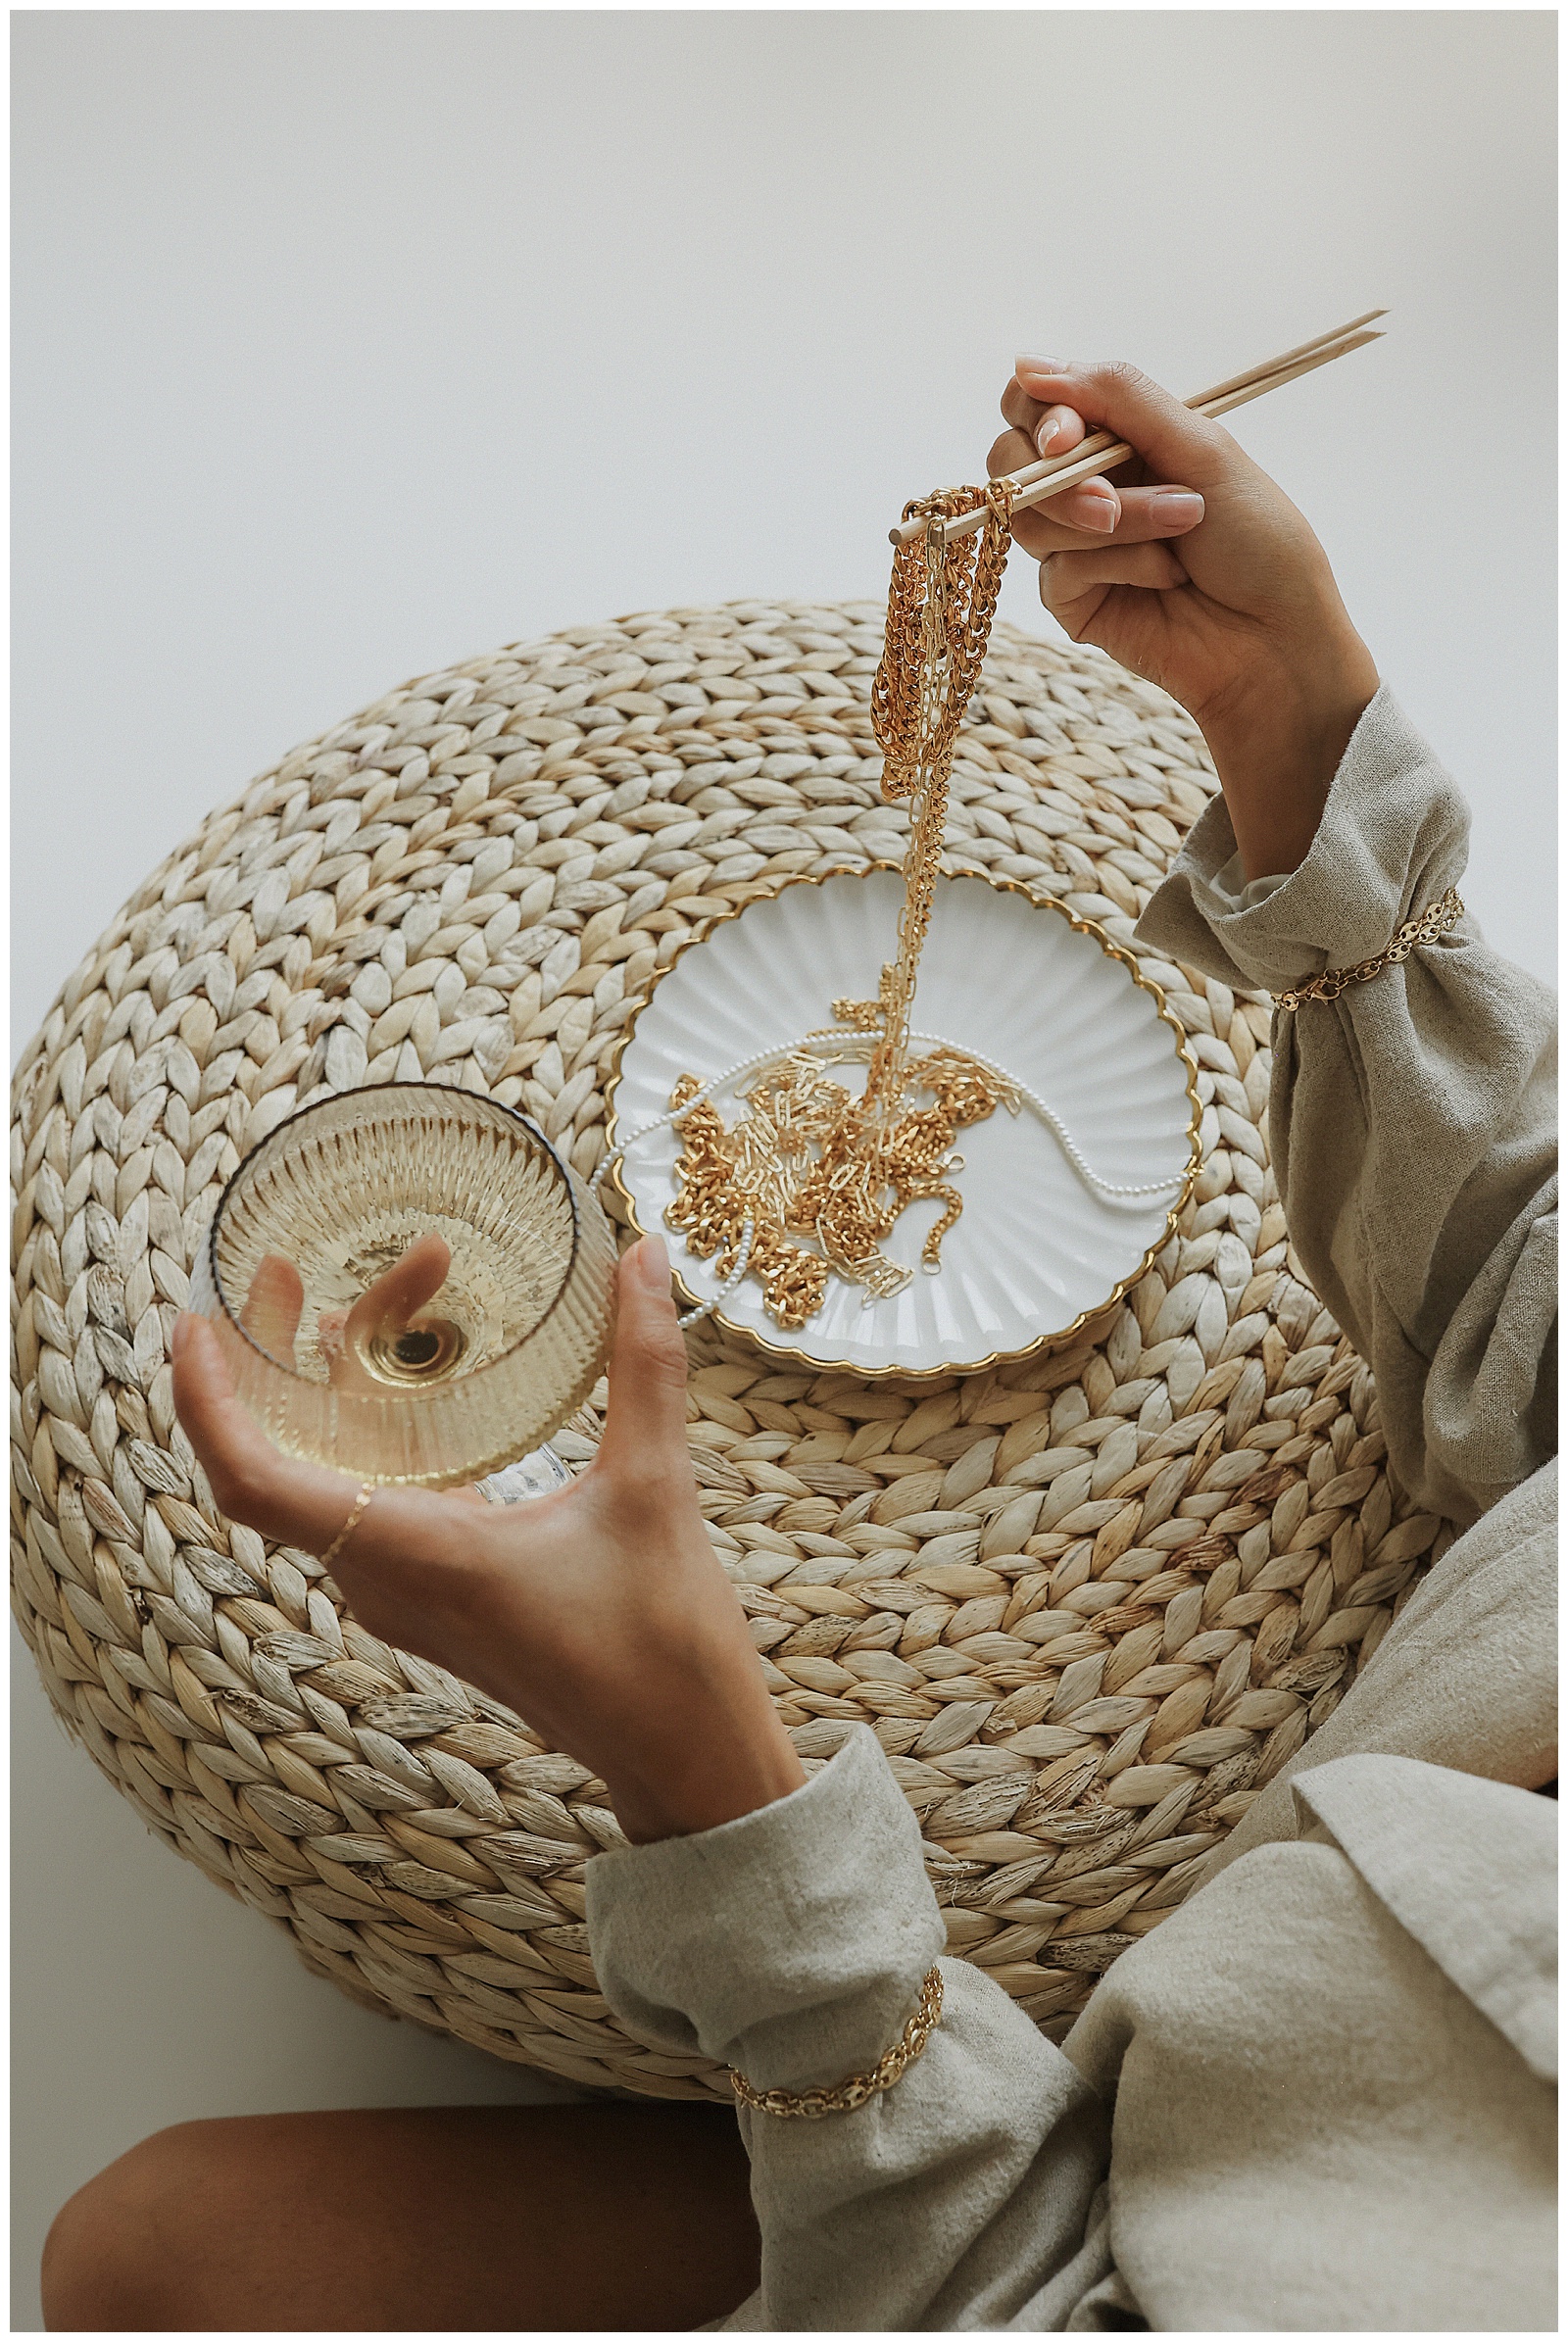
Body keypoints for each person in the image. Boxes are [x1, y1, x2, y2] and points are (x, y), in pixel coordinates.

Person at [41, 358, 1556, 2332]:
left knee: (151, 2264)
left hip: (1132, 2238)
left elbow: (1018, 2286)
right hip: (1266, 2069)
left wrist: (713, 1782)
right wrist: (1294, 733)